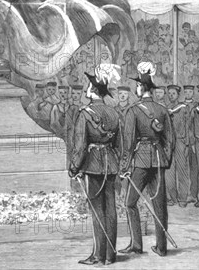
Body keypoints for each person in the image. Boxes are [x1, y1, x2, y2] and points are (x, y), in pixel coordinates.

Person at [119, 61, 175, 257]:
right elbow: (170, 139)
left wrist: (124, 166)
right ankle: (161, 247)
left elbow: (128, 143)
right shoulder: (162, 110)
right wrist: (165, 159)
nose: (135, 87)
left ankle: (136, 245)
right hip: (158, 159)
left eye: (137, 85)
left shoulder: (133, 111)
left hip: (141, 160)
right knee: (159, 204)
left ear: (142, 87)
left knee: (130, 203)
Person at [69, 66, 121, 266]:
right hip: (111, 162)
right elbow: (120, 143)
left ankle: (99, 255)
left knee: (97, 209)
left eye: (88, 86)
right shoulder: (114, 113)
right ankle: (111, 255)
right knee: (111, 208)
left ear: (93, 90)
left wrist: (74, 167)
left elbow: (81, 145)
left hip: (94, 164)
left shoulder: (85, 113)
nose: (86, 90)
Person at [165, 84, 190, 207]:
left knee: (182, 170)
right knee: (169, 171)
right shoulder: (165, 108)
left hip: (180, 141)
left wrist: (187, 142)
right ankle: (172, 197)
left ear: (178, 95)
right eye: (169, 94)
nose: (171, 96)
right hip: (169, 142)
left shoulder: (184, 108)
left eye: (173, 93)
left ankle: (183, 198)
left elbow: (188, 125)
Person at [183, 84, 199, 202]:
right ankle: (185, 193)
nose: (188, 93)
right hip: (183, 141)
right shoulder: (181, 106)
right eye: (186, 92)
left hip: (194, 141)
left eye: (190, 92)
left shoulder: (197, 106)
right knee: (184, 169)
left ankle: (194, 194)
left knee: (195, 168)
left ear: (193, 93)